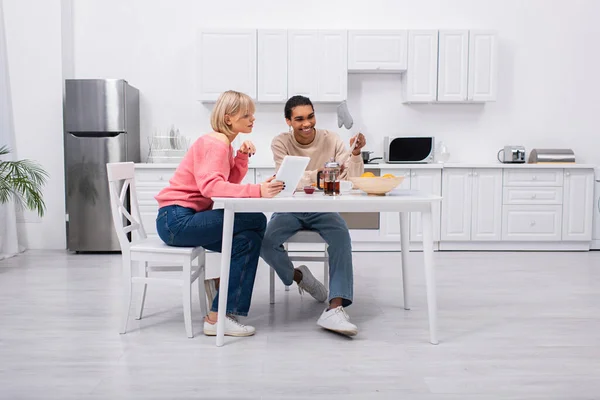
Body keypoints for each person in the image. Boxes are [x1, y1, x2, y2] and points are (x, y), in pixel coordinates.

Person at [154, 90, 284, 337]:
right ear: (228, 118)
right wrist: (258, 190)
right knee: (256, 219)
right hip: (177, 220)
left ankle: (218, 315)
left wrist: (241, 158)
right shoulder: (215, 143)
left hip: (182, 220)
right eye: (246, 115)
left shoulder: (223, 143)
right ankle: (220, 294)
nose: (252, 119)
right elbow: (211, 188)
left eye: (252, 114)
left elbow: (227, 184)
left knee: (248, 241)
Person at [260, 95, 366, 336]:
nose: (306, 123)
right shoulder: (280, 142)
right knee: (265, 243)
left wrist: (357, 154)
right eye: (299, 119)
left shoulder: (332, 139)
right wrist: (322, 174)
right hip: (289, 207)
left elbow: (351, 179)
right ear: (288, 121)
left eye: (310, 116)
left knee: (341, 237)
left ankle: (336, 307)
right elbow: (286, 180)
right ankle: (299, 276)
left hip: (323, 207)